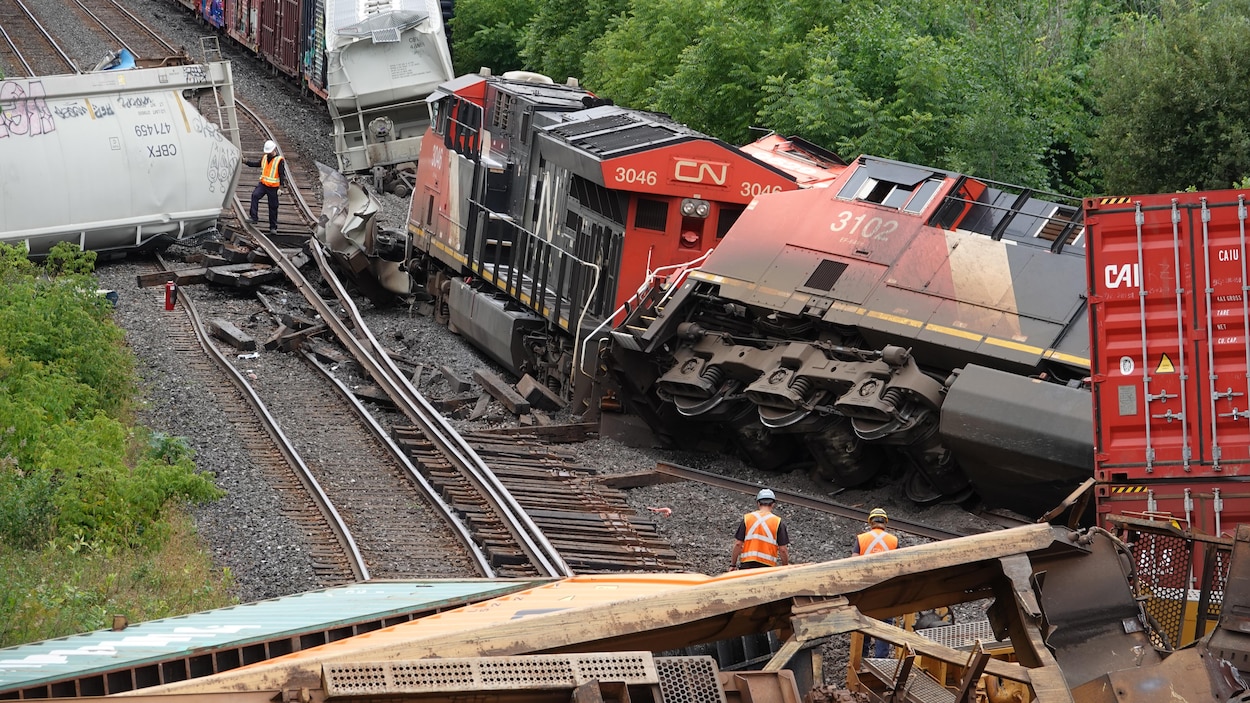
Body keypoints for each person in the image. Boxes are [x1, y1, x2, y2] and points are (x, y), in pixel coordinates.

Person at [853, 507, 899, 657]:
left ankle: (862, 656)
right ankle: (881, 659)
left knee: (864, 621)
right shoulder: (893, 541)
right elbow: (899, 565)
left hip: (866, 589)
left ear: (870, 522)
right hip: (886, 588)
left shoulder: (861, 539)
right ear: (885, 522)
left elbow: (853, 563)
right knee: (885, 624)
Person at [729, 488, 790, 570]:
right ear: (773, 504)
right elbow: (783, 550)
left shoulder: (747, 518)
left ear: (758, 503)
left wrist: (733, 565)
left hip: (747, 565)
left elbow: (738, 544)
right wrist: (785, 567)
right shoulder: (778, 522)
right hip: (767, 567)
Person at [245, 140, 286, 235]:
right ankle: (254, 217)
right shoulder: (264, 157)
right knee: (255, 195)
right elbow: (257, 164)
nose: (268, 153)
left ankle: (273, 227)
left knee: (273, 207)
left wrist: (281, 187)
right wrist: (247, 162)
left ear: (274, 149)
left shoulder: (279, 160)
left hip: (273, 187)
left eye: (269, 151)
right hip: (263, 184)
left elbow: (281, 174)